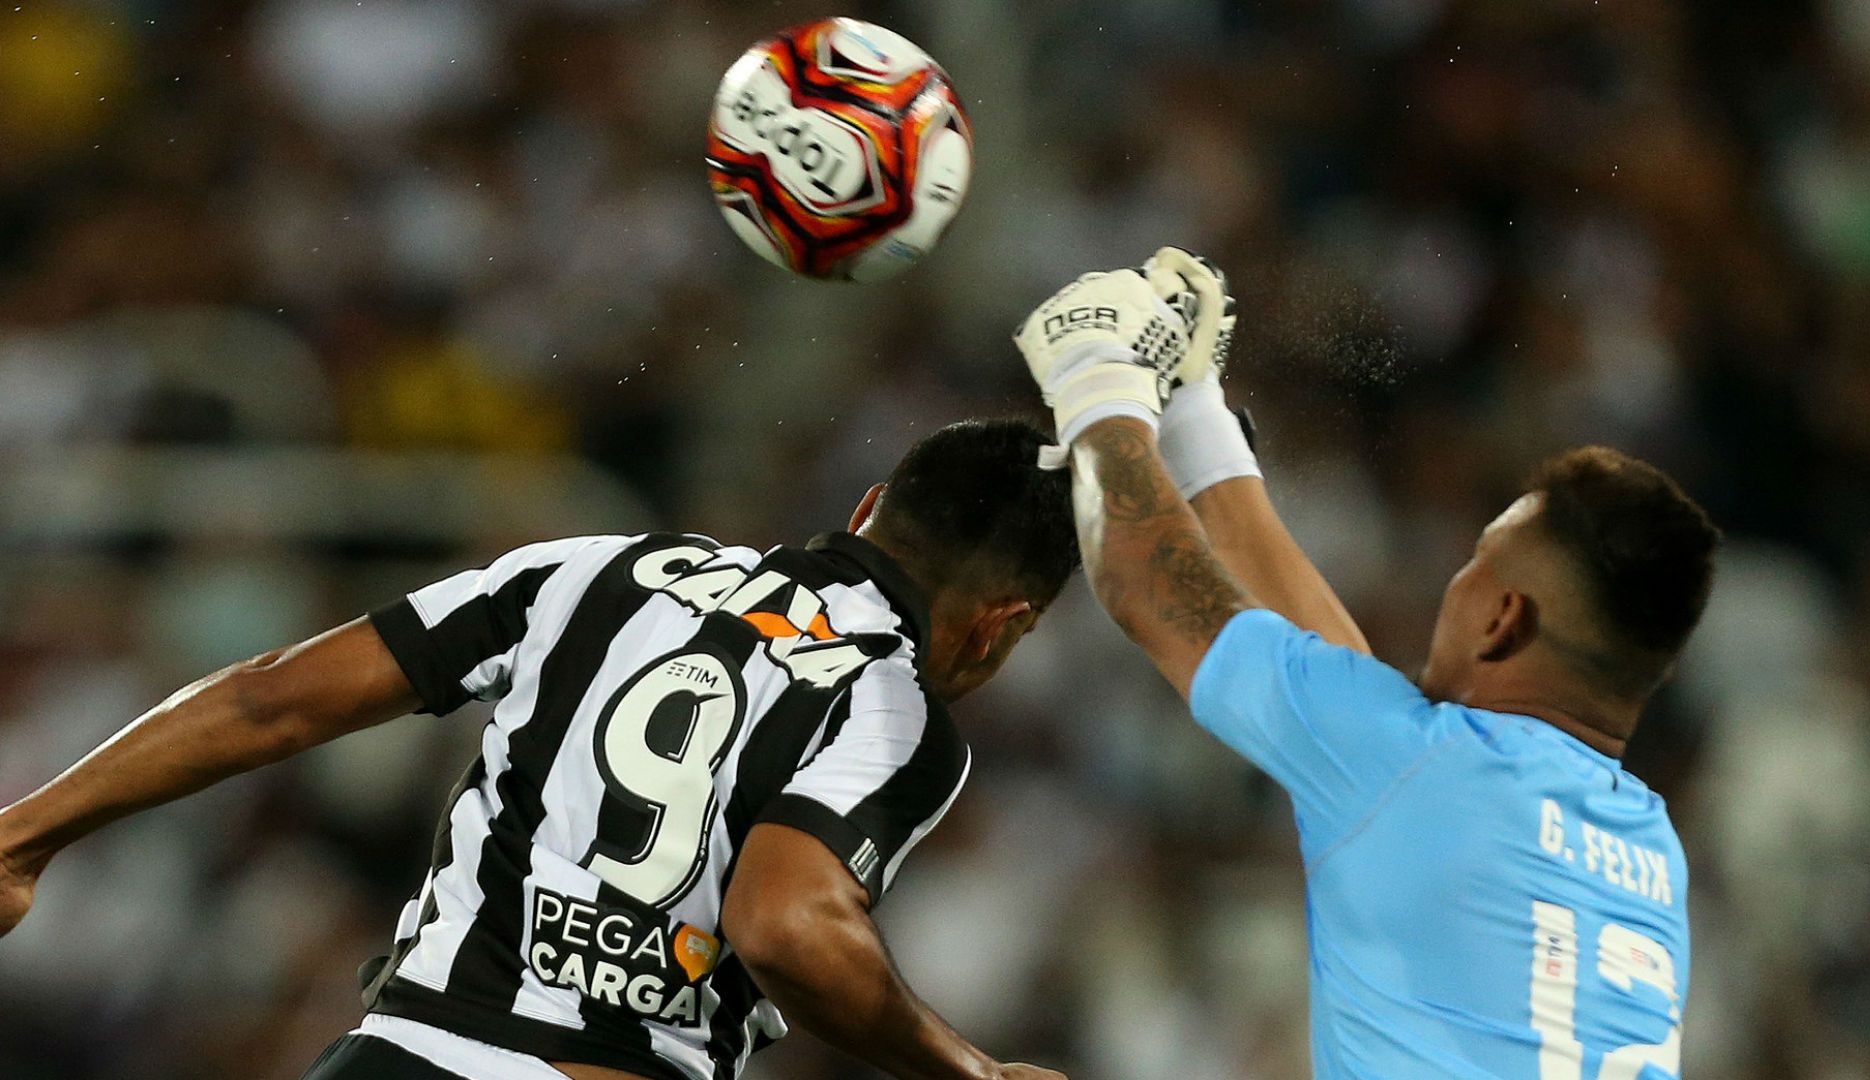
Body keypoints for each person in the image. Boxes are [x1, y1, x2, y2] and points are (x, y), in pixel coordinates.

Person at [0, 419, 1075, 1080]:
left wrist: (22, 840)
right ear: (1001, 625)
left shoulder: (600, 569)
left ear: (870, 507)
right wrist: (966, 1071)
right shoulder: (892, 713)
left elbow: (268, 699)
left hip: (395, 1058)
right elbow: (786, 925)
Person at [1015, 250, 1720, 1079]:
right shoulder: (1648, 848)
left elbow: (1145, 581)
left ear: (1502, 619)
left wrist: (1096, 374)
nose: (1454, 583)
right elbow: (1353, 709)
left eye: (1476, 562)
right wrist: (1194, 415)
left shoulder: (1417, 768)